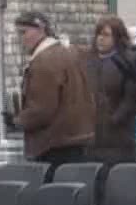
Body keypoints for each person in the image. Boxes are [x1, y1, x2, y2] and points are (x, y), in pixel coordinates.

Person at [12, 10, 94, 176]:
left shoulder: (43, 62)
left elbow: (42, 110)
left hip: (53, 144)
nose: (20, 39)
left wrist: (18, 121)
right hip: (78, 138)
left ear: (41, 29)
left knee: (53, 197)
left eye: (24, 32)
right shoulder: (71, 52)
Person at [87, 16, 136, 167]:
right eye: (98, 34)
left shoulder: (128, 61)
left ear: (117, 37)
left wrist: (114, 120)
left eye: (106, 35)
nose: (100, 39)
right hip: (91, 137)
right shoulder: (88, 61)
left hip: (118, 138)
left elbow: (131, 99)